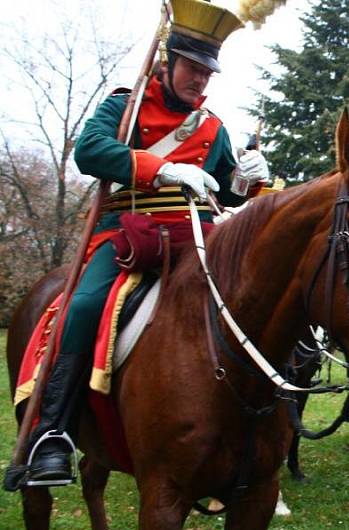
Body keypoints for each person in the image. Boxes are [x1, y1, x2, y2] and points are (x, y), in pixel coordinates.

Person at [18, 0, 268, 485]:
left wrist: (246, 179)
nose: (200, 81)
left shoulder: (213, 126)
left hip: (196, 237)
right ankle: (53, 432)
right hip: (126, 235)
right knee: (84, 306)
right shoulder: (125, 104)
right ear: (168, 62)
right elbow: (89, 150)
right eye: (192, 69)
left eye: (207, 73)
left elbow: (224, 189)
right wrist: (162, 168)